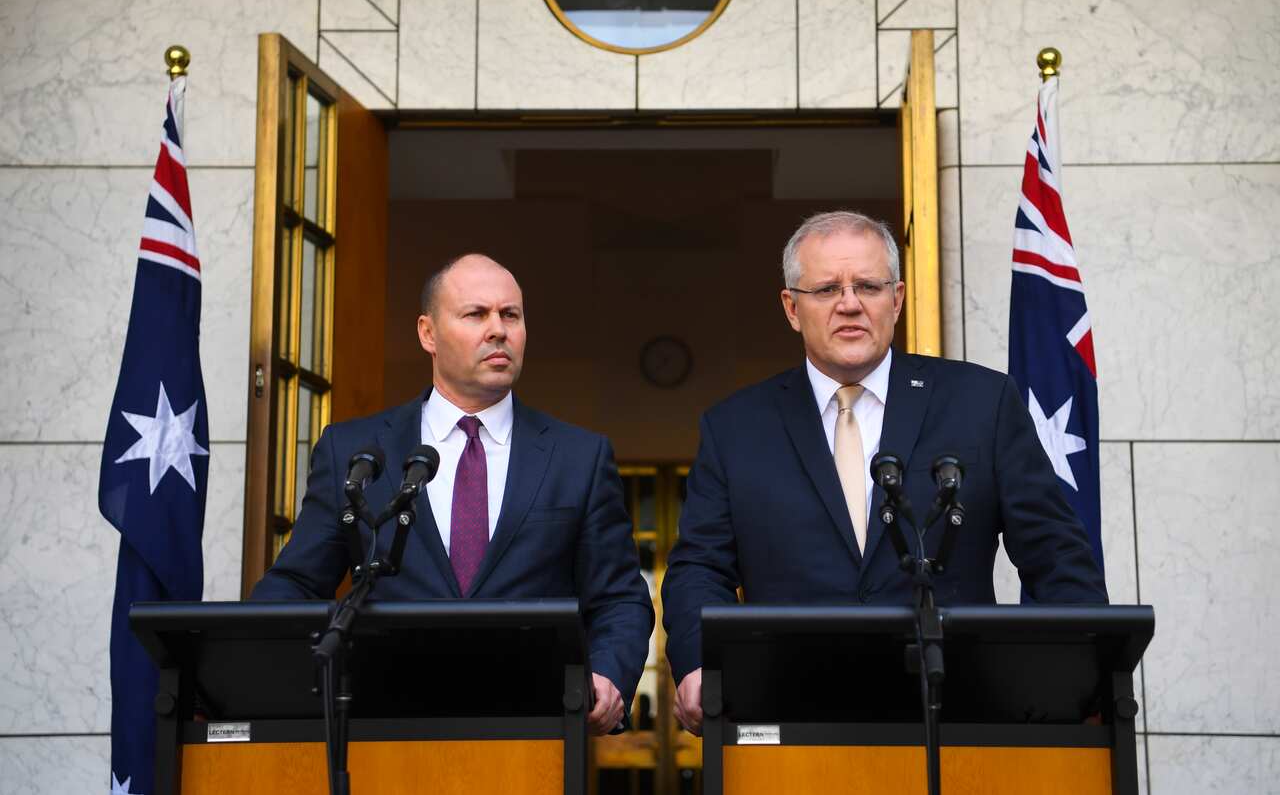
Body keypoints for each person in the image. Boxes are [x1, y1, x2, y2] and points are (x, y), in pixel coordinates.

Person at [661, 211, 1107, 734]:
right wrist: (698, 664)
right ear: (791, 308)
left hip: (954, 718)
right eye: (827, 289)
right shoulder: (735, 427)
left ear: (895, 299)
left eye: (867, 286)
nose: (849, 303)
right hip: (790, 722)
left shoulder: (981, 404)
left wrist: (1078, 675)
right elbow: (699, 569)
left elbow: (1056, 554)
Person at [252, 253, 654, 735]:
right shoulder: (356, 454)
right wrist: (263, 680)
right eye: (475, 314)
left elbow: (620, 598)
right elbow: (294, 586)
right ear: (428, 333)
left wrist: (609, 675)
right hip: (387, 730)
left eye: (511, 315)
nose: (498, 330)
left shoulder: (579, 457)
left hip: (534, 734)